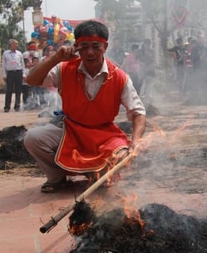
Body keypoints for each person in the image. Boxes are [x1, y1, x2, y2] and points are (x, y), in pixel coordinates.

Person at [23, 19, 147, 193]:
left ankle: (95, 174)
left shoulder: (119, 77)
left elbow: (138, 112)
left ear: (105, 46)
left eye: (96, 46)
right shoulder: (64, 69)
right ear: (76, 47)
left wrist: (135, 143)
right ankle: (57, 178)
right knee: (33, 138)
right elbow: (31, 80)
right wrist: (56, 58)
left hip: (104, 136)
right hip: (70, 130)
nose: (90, 52)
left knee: (121, 156)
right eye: (84, 46)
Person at [1, 39, 24, 112]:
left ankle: (17, 106)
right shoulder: (6, 53)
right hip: (10, 73)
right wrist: (4, 75)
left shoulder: (19, 53)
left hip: (18, 72)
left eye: (17, 44)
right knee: (9, 90)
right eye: (15, 44)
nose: (16, 45)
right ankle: (7, 107)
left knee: (18, 90)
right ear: (11, 45)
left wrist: (23, 74)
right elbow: (3, 65)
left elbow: (22, 64)